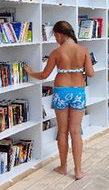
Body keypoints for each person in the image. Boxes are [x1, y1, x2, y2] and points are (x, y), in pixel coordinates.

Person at [23, 21, 94, 180]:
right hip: (78, 92)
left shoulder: (56, 52)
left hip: (61, 92)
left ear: (60, 34)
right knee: (76, 132)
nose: (55, 39)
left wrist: (30, 72)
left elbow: (44, 75)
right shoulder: (83, 51)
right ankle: (78, 171)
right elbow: (90, 74)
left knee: (62, 131)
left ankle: (63, 167)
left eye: (55, 35)